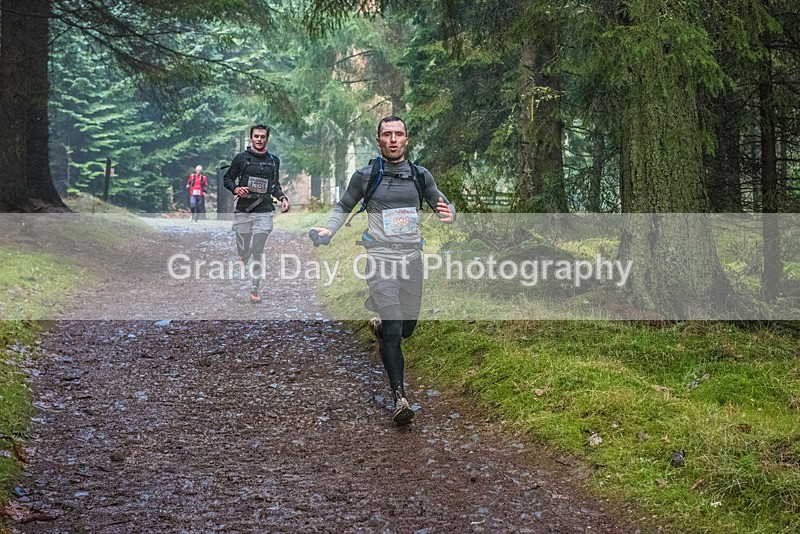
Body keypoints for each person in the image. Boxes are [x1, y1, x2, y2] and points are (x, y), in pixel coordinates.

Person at [311, 115, 455, 425]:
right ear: (378, 141)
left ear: (406, 140)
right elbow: (343, 206)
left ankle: (380, 328)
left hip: (412, 261)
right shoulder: (366, 176)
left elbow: (443, 203)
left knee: (407, 328)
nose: (392, 139)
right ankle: (399, 397)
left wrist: (449, 213)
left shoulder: (420, 176)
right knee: (393, 329)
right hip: (379, 261)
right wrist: (329, 231)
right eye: (386, 134)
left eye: (398, 134)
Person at [223, 124, 290, 303]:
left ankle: (255, 289)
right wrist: (236, 189)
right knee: (243, 249)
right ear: (251, 138)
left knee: (258, 249)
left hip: (264, 210)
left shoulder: (274, 160)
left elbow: (274, 185)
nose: (259, 139)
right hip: (243, 210)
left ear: (267, 138)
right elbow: (227, 179)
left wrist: (282, 198)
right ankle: (245, 253)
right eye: (256, 136)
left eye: (262, 136)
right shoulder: (241, 159)